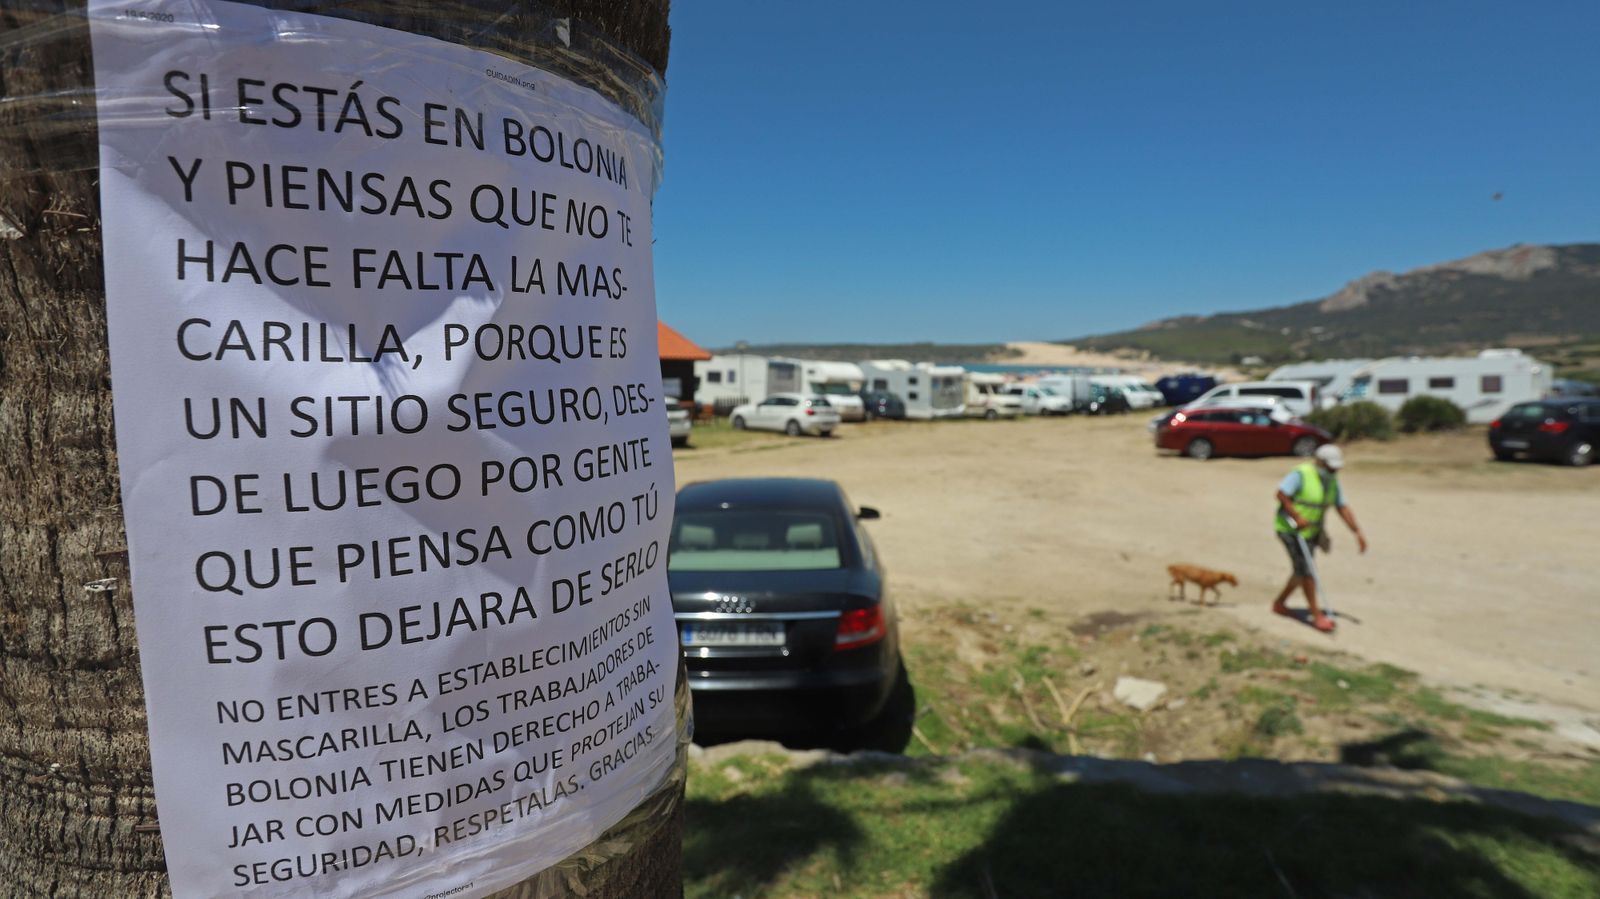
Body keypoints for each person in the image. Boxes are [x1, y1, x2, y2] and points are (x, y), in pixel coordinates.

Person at [1271, 443, 1367, 632]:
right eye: (1331, 467)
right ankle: (1317, 616)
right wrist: (1297, 516)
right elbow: (1281, 494)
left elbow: (1342, 506)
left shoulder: (1332, 480)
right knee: (1307, 571)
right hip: (1290, 530)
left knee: (1301, 571)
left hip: (1312, 532)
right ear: (1320, 462)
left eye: (1336, 468)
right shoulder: (1302, 474)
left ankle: (1279, 604)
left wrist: (1356, 532)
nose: (1334, 470)